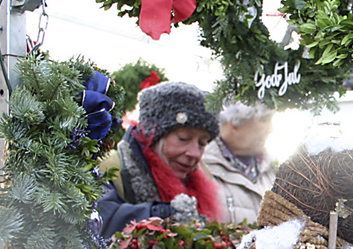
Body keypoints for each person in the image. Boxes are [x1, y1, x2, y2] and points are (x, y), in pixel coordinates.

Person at [97, 81, 222, 239]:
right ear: (153, 136)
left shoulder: (202, 183)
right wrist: (165, 215)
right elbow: (102, 221)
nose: (194, 153)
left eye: (202, 143)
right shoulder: (109, 169)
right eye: (183, 138)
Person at [201, 101, 276, 224]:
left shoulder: (273, 170)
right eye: (265, 119)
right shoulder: (203, 167)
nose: (271, 129)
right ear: (234, 122)